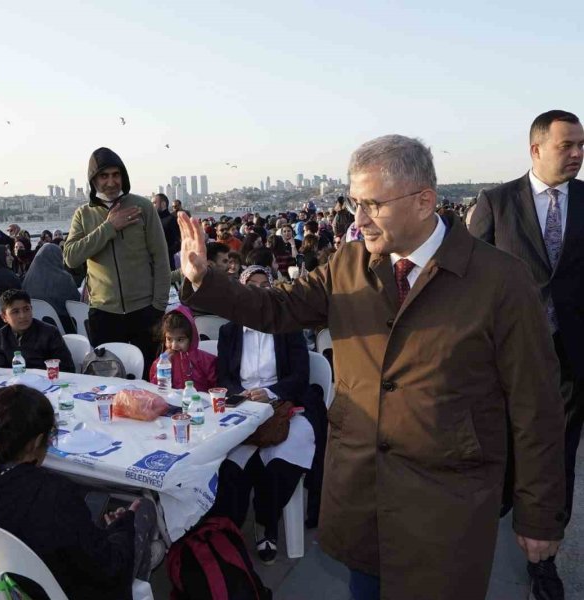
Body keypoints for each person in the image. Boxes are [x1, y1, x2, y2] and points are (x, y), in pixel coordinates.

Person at [175, 134, 567, 600]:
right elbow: (275, 309)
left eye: (372, 205)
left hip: (448, 505)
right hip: (365, 495)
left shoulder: (500, 281)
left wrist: (539, 513)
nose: (357, 220)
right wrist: (205, 279)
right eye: (354, 203)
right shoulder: (348, 265)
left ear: (424, 202)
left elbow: (536, 406)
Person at [469, 109, 584, 598]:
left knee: (558, 454)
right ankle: (492, 519)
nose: (578, 154)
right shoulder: (495, 202)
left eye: (582, 146)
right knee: (508, 446)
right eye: (568, 146)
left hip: (573, 356)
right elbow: (466, 275)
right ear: (536, 149)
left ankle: (544, 558)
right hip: (508, 356)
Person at [0, 385, 154, 600]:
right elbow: (109, 570)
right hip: (64, 589)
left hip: (7, 583)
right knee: (143, 508)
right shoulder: (54, 494)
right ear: (37, 441)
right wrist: (123, 528)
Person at [212, 265, 323, 563]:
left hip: (284, 407)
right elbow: (224, 377)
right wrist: (243, 395)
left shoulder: (288, 327)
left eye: (265, 285)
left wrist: (271, 393)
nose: (259, 291)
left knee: (280, 464)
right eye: (253, 285)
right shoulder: (229, 331)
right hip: (243, 408)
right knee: (230, 467)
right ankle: (228, 530)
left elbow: (300, 376)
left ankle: (266, 522)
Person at [63, 148, 170, 377]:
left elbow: (161, 258)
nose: (111, 182)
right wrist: (109, 227)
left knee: (149, 379)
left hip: (145, 310)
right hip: (104, 313)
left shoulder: (143, 208)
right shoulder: (84, 214)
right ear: (93, 180)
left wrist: (158, 306)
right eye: (104, 176)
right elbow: (71, 257)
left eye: (116, 175)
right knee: (109, 383)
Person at [0, 289, 74, 373]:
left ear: (31, 309)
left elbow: (66, 369)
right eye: (15, 312)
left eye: (26, 309)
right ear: (4, 317)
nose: (22, 316)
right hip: (14, 384)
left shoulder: (50, 333)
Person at [147, 305, 216, 392]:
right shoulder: (160, 362)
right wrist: (162, 369)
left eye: (180, 339)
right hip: (172, 403)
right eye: (169, 339)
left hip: (199, 404)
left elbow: (217, 389)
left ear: (191, 339)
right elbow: (155, 389)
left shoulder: (206, 361)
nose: (174, 345)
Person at [22, 244, 80, 334]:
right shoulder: (65, 278)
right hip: (62, 329)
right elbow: (76, 302)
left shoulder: (28, 278)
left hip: (35, 327)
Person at [151, 193, 180, 269]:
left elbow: (177, 243)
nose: (152, 206)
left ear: (163, 204)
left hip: (167, 265)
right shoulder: (154, 221)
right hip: (153, 265)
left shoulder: (171, 220)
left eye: (154, 203)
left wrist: (164, 253)